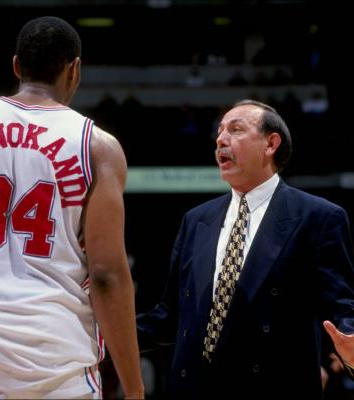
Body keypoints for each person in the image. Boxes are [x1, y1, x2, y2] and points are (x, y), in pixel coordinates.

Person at [0, 16, 144, 399]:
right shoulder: (97, 148)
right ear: (75, 69)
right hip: (59, 361)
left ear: (16, 66)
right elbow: (107, 276)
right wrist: (135, 389)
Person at [137, 99, 354, 399]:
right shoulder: (196, 220)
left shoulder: (319, 217)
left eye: (235, 129)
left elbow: (342, 308)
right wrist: (102, 335)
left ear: (270, 144)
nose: (220, 138)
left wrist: (351, 344)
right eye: (219, 131)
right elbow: (169, 317)